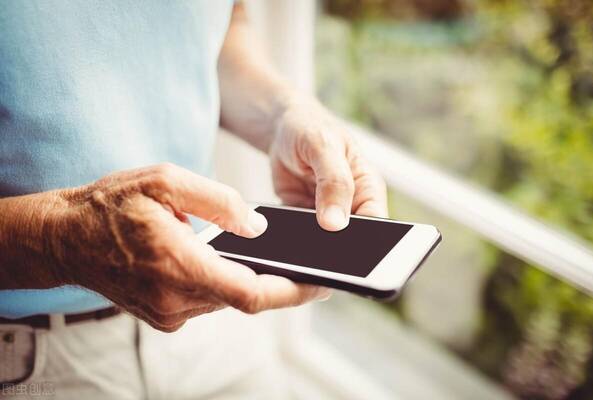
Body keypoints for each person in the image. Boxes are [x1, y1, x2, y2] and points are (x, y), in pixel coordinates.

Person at [0, 1, 387, 399]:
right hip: (28, 362)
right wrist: (57, 239)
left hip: (214, 311)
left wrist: (283, 111)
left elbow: (220, 24)